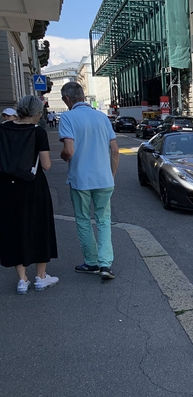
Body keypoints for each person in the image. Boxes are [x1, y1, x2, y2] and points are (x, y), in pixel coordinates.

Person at [59, 82, 120, 280]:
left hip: (81, 179)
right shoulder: (102, 117)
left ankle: (91, 262)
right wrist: (112, 174)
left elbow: (68, 150)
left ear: (67, 99)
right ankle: (105, 264)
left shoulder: (67, 117)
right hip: (104, 179)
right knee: (104, 221)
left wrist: (63, 156)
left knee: (84, 220)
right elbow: (116, 150)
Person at [0, 95, 59, 294]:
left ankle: (22, 279)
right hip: (33, 186)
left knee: (14, 228)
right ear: (36, 113)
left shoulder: (2, 129)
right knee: (40, 226)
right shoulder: (38, 132)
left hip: (7, 187)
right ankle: (41, 277)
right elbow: (46, 165)